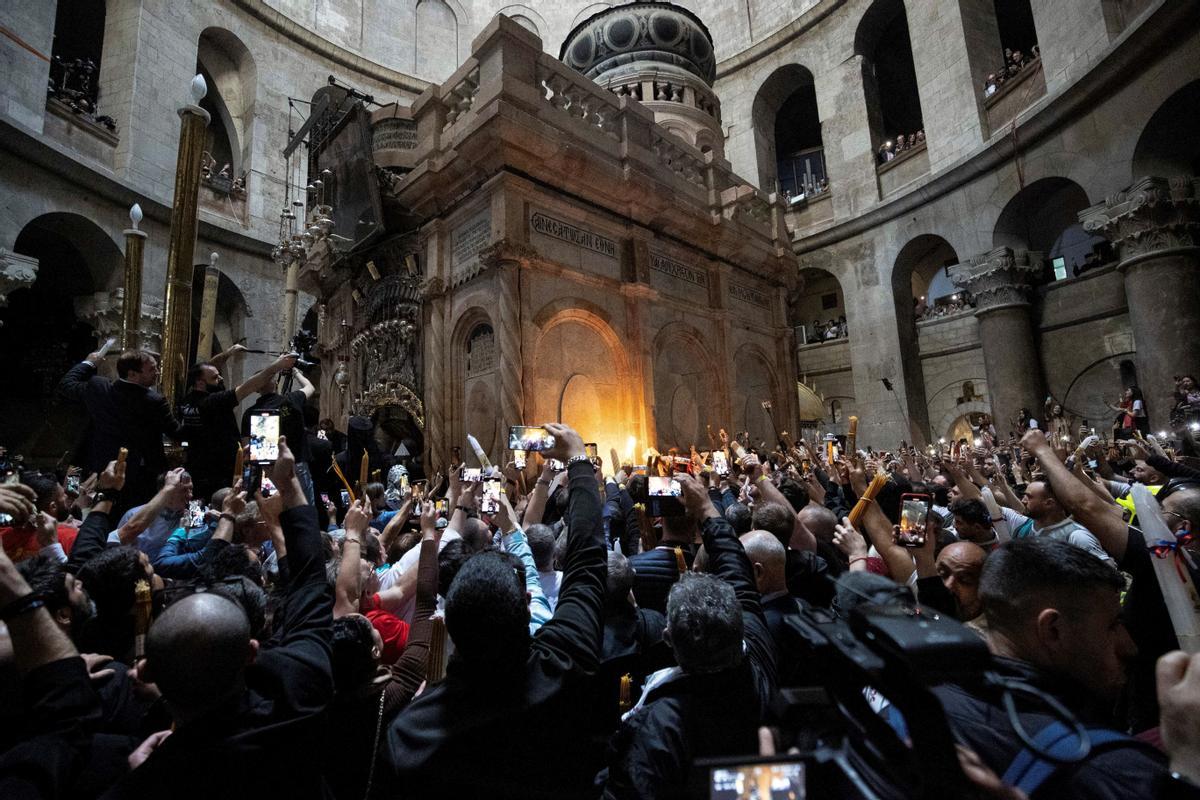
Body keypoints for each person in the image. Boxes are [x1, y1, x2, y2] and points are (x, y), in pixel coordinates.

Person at [102, 437, 335, 798]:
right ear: (252, 653)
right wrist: (289, 486)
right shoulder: (299, 695)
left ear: (145, 674)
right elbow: (310, 585)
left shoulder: (144, 777)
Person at [385, 423, 606, 798]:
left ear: (449, 626)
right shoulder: (563, 667)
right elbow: (586, 567)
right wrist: (580, 463)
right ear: (526, 604)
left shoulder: (410, 735)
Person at [933, 539, 1171, 798]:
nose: (1129, 646)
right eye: (1113, 625)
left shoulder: (925, 703)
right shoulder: (1112, 771)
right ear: (1052, 630)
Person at [602, 474, 777, 799]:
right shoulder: (759, 664)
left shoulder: (656, 725)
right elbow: (736, 570)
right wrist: (708, 509)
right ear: (738, 622)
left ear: (668, 639)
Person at [57, 349, 182, 509]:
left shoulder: (98, 388)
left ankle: (72, 514)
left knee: (90, 508)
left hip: (93, 467)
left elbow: (67, 385)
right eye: (152, 369)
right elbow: (175, 432)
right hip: (136, 476)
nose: (157, 372)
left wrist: (89, 362)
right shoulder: (152, 400)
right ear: (132, 374)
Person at [178, 347, 295, 501]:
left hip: (196, 465)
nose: (220, 379)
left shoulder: (186, 401)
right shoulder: (213, 402)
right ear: (200, 383)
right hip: (219, 470)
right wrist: (277, 366)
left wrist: (229, 353)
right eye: (215, 378)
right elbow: (249, 386)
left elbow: (207, 367)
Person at [241, 366, 316, 503]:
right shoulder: (292, 400)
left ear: (256, 389)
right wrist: (295, 372)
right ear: (276, 383)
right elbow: (310, 387)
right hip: (295, 463)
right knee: (303, 506)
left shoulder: (250, 413)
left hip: (266, 468)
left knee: (271, 508)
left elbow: (246, 447)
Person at [1021, 479, 1116, 566]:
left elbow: (1108, 572)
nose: (1023, 500)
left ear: (1049, 503)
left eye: (1029, 497)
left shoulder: (1077, 537)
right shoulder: (1033, 528)